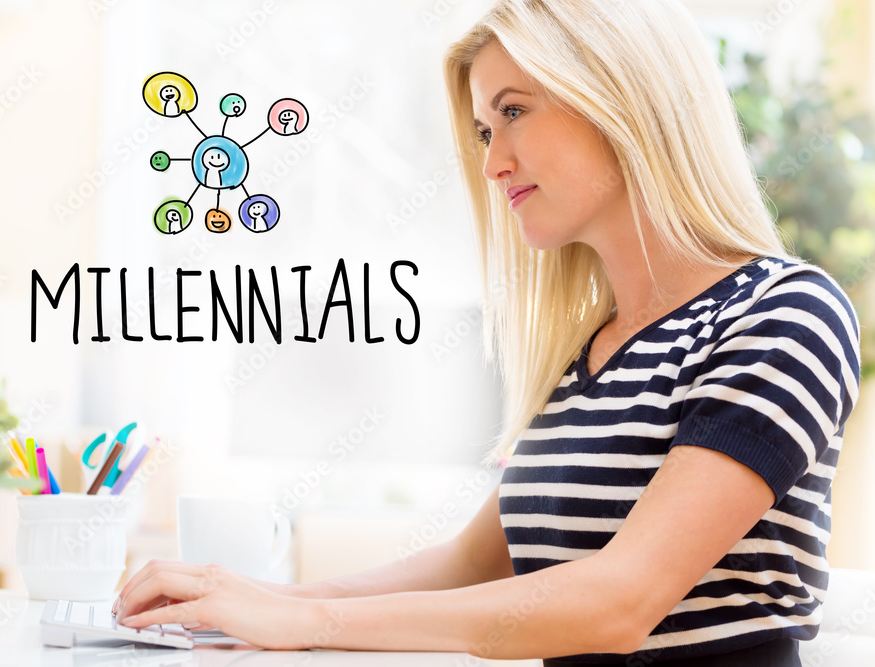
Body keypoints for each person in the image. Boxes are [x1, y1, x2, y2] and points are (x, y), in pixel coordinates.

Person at [111, 0, 860, 663]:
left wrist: (304, 618)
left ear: (619, 97)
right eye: (481, 128)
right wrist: (260, 598)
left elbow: (621, 601)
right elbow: (474, 562)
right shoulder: (587, 354)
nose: (493, 162)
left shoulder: (784, 314)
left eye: (513, 111)